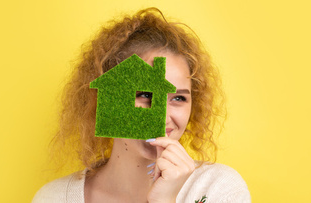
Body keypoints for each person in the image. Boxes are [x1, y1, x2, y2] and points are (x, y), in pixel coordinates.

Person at [32, 7, 250, 203]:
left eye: (178, 98)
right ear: (108, 99)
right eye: (145, 95)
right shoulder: (53, 198)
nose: (162, 117)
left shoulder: (219, 190)